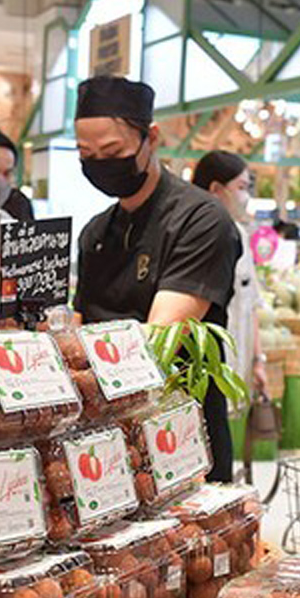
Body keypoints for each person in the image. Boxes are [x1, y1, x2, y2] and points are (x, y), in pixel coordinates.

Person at [71, 75, 240, 482]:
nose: (101, 163)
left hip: (180, 431)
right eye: (86, 153)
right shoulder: (96, 232)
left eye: (113, 151)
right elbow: (78, 323)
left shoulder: (200, 220)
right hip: (107, 434)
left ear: (152, 138)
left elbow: (163, 338)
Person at [193, 150, 267, 401]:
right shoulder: (189, 237)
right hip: (201, 373)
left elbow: (251, 304)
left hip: (236, 365)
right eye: (241, 187)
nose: (246, 197)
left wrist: (258, 360)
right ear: (216, 189)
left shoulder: (240, 236)